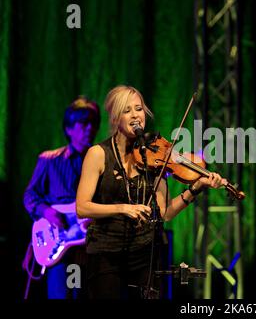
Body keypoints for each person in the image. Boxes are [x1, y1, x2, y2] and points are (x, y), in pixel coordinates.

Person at [76, 85, 226, 299]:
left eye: (138, 108)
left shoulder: (154, 155)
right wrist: (122, 209)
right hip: (105, 253)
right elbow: (82, 207)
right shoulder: (98, 154)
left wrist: (195, 188)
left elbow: (165, 213)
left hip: (145, 254)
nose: (135, 115)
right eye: (127, 110)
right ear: (115, 117)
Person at [23, 96, 100, 299]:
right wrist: (47, 212)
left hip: (89, 248)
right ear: (69, 128)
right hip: (59, 245)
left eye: (93, 124)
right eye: (83, 123)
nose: (89, 129)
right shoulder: (49, 160)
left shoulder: (102, 164)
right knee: (60, 295)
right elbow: (30, 195)